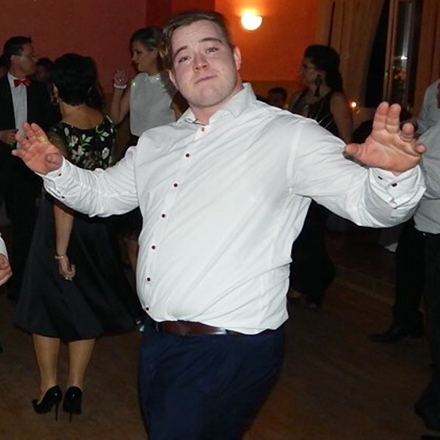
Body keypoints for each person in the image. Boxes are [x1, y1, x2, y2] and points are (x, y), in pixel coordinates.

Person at [13, 10, 425, 440]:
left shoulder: (289, 136)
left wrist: (393, 174)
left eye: (210, 48)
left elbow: (372, 207)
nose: (199, 62)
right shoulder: (157, 142)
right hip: (159, 339)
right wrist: (57, 169)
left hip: (229, 346)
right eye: (184, 57)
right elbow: (101, 195)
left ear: (236, 56)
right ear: (172, 76)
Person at [14, 54, 141, 421]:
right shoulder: (104, 123)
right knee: (85, 304)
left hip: (61, 227)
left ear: (55, 89)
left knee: (45, 307)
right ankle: (75, 387)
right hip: (97, 226)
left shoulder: (58, 132)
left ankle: (48, 386)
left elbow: (63, 199)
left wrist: (60, 251)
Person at [109, 26, 185, 274]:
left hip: (163, 154)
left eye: (139, 52)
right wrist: (118, 89)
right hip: (136, 148)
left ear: (155, 52)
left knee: (152, 225)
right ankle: (138, 287)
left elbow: (183, 125)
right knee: (130, 231)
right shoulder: (138, 81)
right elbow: (116, 117)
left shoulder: (172, 83)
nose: (134, 59)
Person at [369, 81, 440, 343]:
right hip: (421, 214)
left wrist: (405, 169)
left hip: (433, 216)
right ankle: (406, 322)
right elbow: (425, 124)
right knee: (409, 269)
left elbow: (435, 182)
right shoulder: (432, 90)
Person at [288, 44, 353, 308]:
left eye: (307, 67)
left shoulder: (335, 100)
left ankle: (313, 281)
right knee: (293, 230)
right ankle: (302, 281)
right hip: (294, 174)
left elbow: (346, 142)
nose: (300, 71)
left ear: (321, 71)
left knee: (310, 232)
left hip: (321, 175)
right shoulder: (299, 98)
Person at [0, 36, 59, 302]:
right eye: (30, 55)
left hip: (25, 168)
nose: (35, 59)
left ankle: (20, 284)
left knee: (24, 226)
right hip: (0, 162)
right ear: (15, 58)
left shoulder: (39, 90)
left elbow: (50, 123)